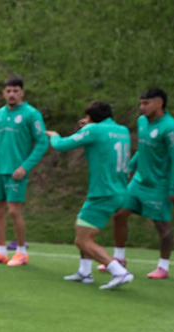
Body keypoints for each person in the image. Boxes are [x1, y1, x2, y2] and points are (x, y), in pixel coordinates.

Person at [48, 101, 135, 290]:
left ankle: (118, 271)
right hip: (120, 190)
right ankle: (84, 272)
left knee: (82, 239)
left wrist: (54, 136)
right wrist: (88, 127)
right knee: (82, 227)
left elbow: (62, 145)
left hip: (103, 193)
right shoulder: (122, 130)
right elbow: (101, 140)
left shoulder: (94, 130)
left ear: (92, 118)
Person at [107, 88, 174, 279]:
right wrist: (130, 167)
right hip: (139, 182)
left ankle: (163, 267)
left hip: (160, 186)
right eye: (141, 103)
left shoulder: (171, 128)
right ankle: (119, 259)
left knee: (162, 226)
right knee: (119, 214)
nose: (142, 107)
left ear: (159, 103)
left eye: (146, 103)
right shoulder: (142, 122)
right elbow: (142, 149)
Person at [0, 77, 48, 266]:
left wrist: (25, 166)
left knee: (14, 211)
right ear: (3, 93)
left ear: (22, 93)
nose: (11, 94)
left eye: (15, 91)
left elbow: (42, 142)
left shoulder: (31, 114)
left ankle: (21, 251)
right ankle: (0, 251)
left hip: (16, 171)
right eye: (8, 91)